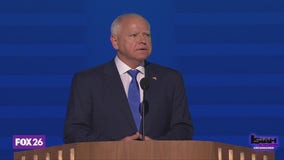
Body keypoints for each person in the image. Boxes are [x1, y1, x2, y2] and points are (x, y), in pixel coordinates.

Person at [64, 13, 194, 143]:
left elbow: (183, 128)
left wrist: (157, 146)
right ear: (115, 42)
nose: (143, 40)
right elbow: (74, 131)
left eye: (147, 35)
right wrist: (115, 147)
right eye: (134, 35)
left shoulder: (170, 79)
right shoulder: (87, 81)